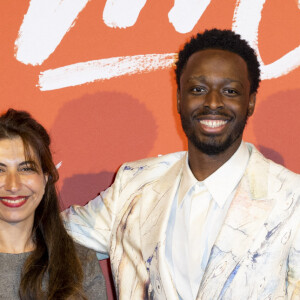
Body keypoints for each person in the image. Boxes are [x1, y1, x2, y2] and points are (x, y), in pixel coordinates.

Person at [62, 29, 300, 299]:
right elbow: (48, 237)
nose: (212, 102)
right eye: (198, 89)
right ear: (178, 98)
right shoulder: (134, 185)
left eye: (230, 91)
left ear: (251, 102)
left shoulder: (292, 200)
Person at [0, 109, 107, 300]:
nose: (13, 185)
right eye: (0, 170)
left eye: (26, 169)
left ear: (45, 179)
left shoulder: (80, 262)